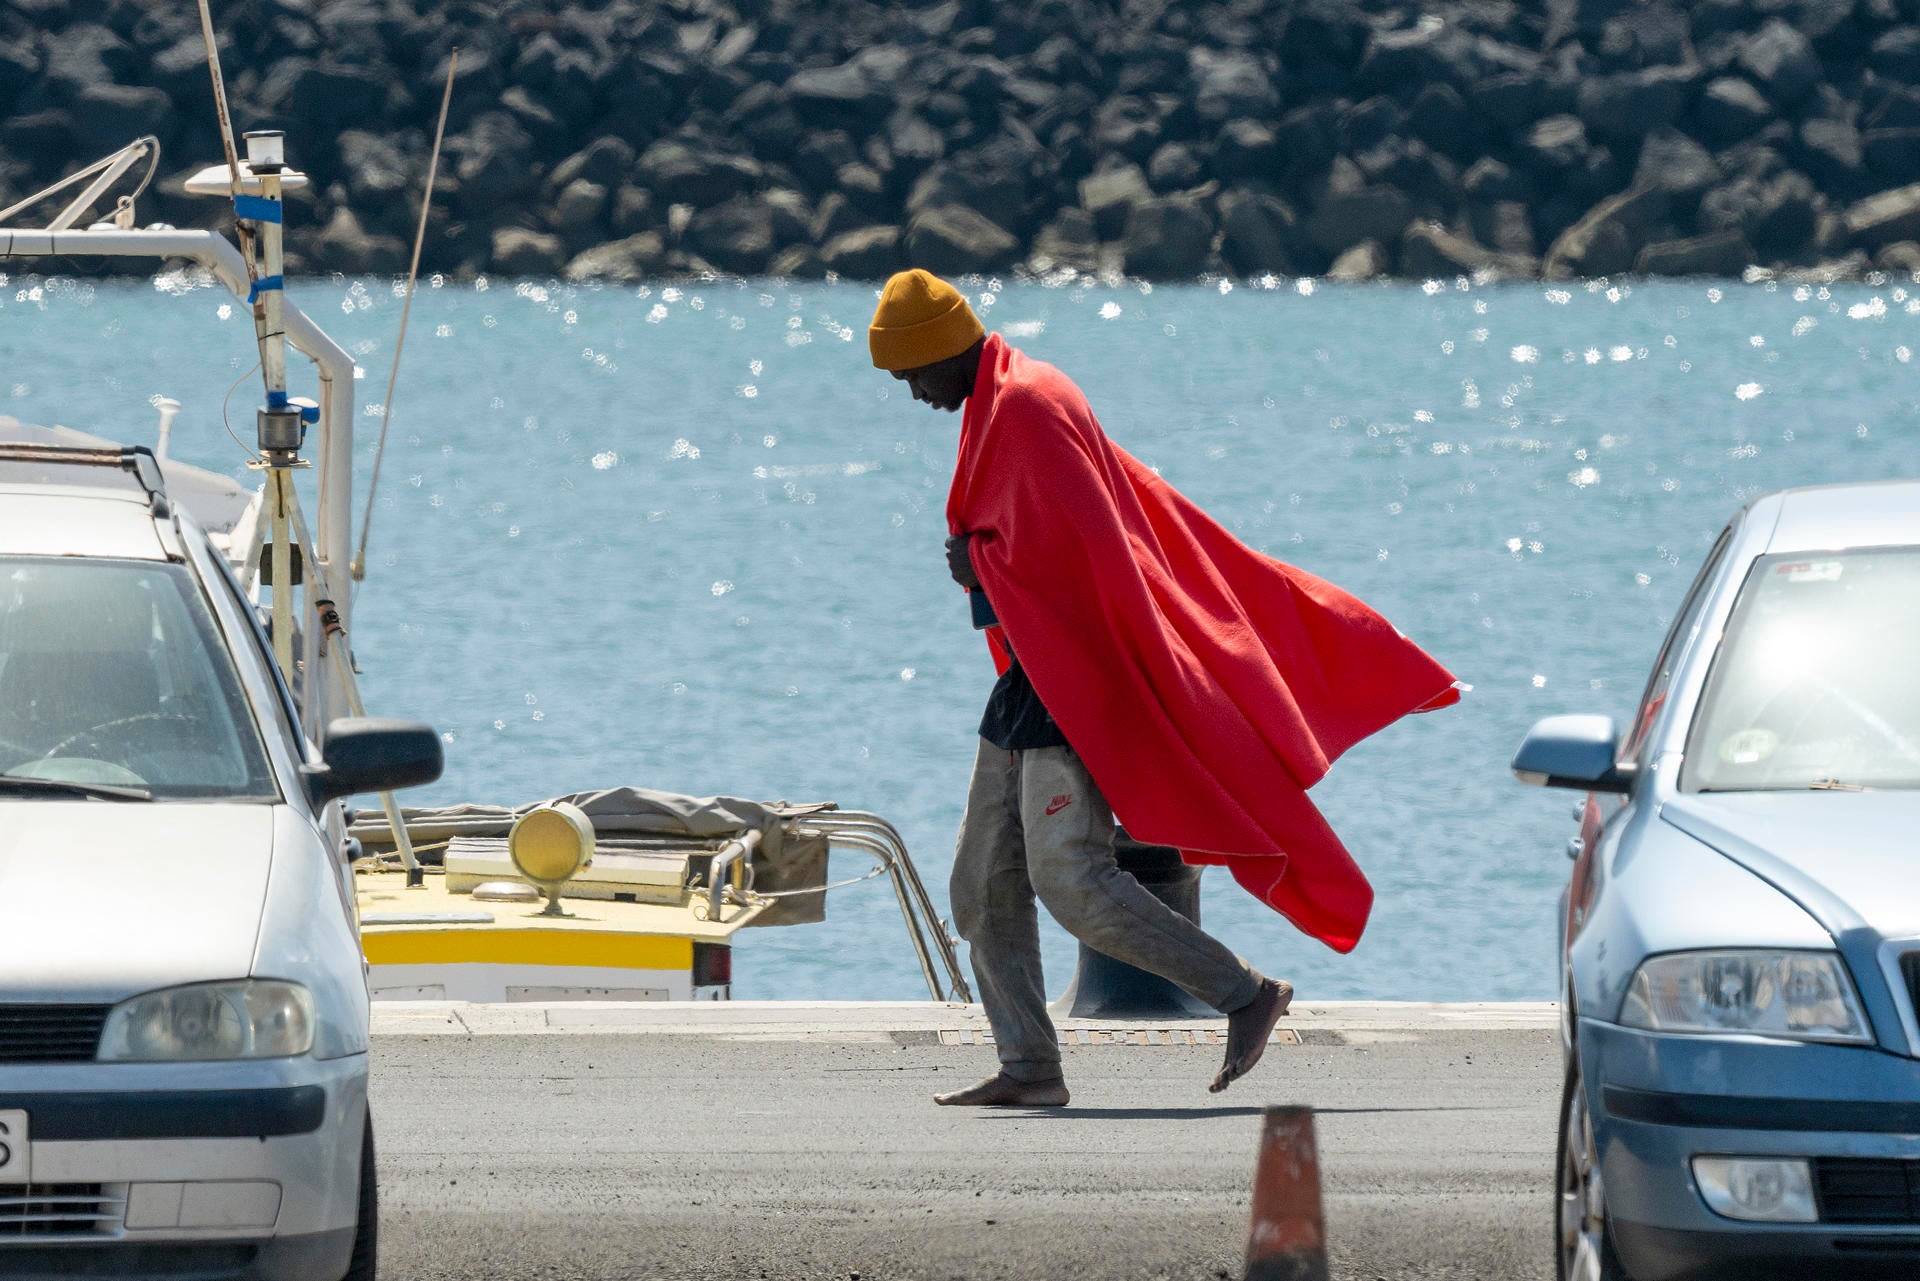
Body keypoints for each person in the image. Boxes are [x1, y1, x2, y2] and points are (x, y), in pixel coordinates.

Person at [868, 269, 1458, 1108]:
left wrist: (981, 563)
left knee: (1069, 876)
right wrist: (990, 564)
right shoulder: (999, 403)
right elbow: (1052, 540)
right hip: (1034, 677)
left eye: (912, 374)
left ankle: (1245, 993)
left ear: (940, 349)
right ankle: (1030, 1067)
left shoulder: (1028, 404)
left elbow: (1088, 556)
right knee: (981, 883)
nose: (914, 394)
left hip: (1078, 679)